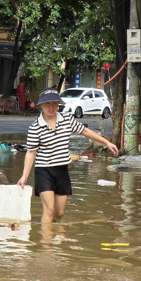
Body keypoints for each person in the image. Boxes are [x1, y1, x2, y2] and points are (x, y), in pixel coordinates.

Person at [17, 88, 119, 225]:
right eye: (47, 104)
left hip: (62, 170)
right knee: (49, 209)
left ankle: (57, 241)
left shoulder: (67, 120)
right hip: (43, 171)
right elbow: (30, 153)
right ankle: (46, 245)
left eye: (54, 103)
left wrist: (106, 142)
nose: (51, 107)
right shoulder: (35, 127)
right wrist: (24, 176)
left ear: (58, 104)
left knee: (59, 214)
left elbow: (85, 131)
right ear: (41, 105)